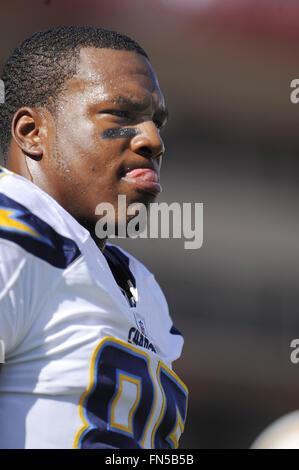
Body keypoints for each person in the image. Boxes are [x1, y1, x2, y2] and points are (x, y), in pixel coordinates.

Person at [0, 26, 188, 449]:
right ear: (32, 132)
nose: (154, 141)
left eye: (157, 122)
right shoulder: (13, 240)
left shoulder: (141, 286)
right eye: (121, 116)